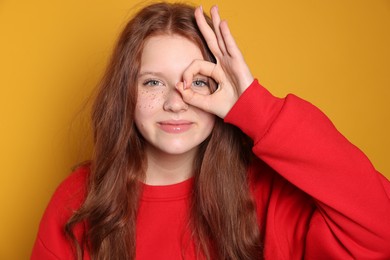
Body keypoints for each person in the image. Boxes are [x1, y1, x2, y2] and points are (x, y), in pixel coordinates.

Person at [31, 2, 390, 259]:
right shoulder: (78, 200)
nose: (175, 102)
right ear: (125, 92)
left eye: (198, 81)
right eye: (153, 82)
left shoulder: (267, 195)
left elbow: (381, 228)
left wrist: (256, 108)